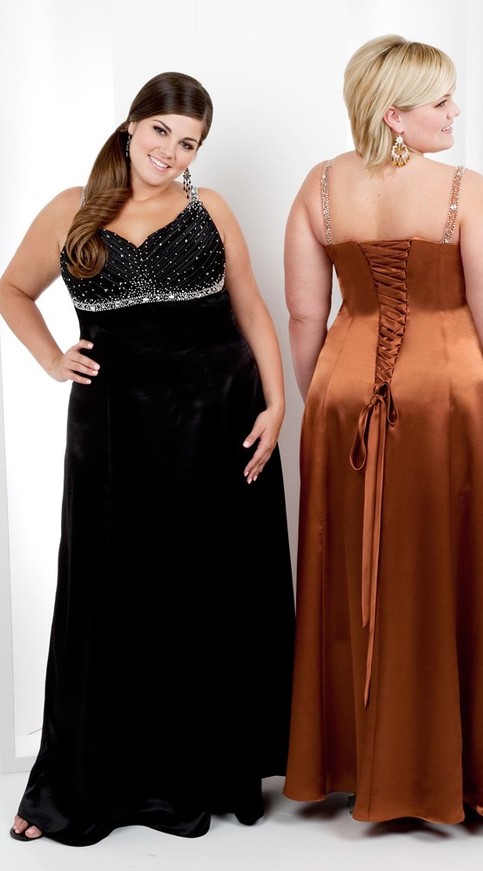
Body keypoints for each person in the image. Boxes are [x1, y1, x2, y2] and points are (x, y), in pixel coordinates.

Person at [0, 70, 295, 845]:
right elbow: (12, 289)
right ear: (132, 125)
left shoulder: (210, 209)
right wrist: (51, 358)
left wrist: (276, 405)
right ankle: (82, 780)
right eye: (162, 130)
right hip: (114, 433)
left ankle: (209, 770)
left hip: (217, 426)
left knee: (208, 591)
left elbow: (252, 308)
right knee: (108, 591)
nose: (171, 151)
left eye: (189, 142)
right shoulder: (71, 210)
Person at [282, 34, 483, 825]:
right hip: (449, 400)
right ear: (394, 115)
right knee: (460, 569)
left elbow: (305, 315)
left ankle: (356, 764)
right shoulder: (464, 192)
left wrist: (328, 402)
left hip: (341, 397)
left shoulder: (319, 187)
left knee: (356, 575)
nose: (455, 111)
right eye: (441, 101)